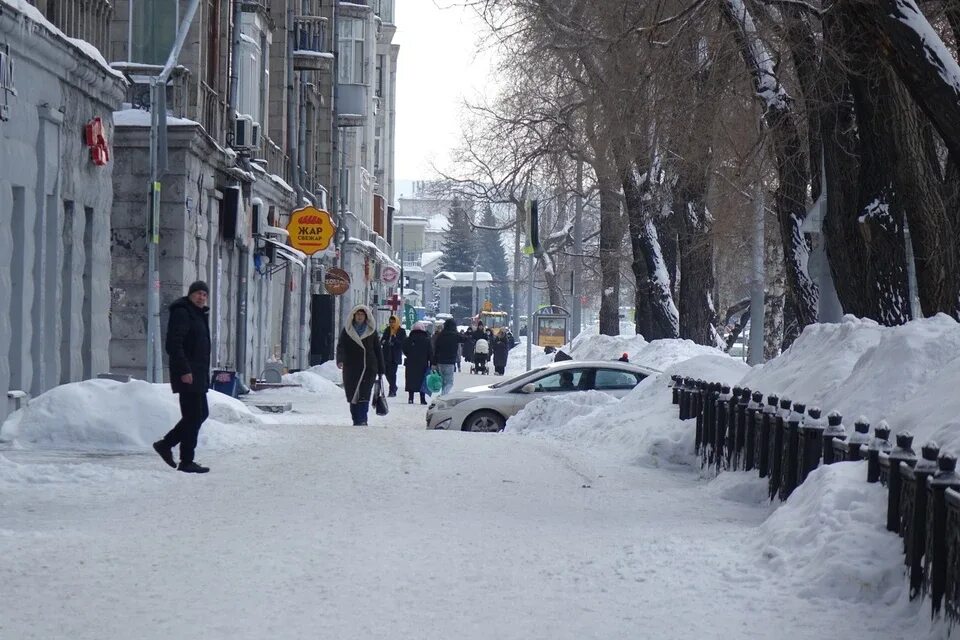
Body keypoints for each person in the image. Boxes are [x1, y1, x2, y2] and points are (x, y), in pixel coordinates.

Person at [153, 281, 212, 474]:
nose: (201, 297)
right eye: (198, 294)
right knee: (193, 416)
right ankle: (186, 460)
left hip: (198, 374)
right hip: (187, 374)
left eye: (204, 294)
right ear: (190, 294)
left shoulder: (198, 314)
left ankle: (166, 444)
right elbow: (174, 344)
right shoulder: (182, 312)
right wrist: (185, 370)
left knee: (200, 414)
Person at [336, 305, 385, 426]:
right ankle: (356, 418)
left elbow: (377, 349)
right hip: (351, 367)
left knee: (364, 394)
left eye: (362, 315)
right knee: (353, 395)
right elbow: (341, 346)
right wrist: (340, 359)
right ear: (353, 316)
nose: (359, 317)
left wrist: (381, 368)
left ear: (366, 316)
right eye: (357, 314)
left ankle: (362, 419)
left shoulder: (371, 331)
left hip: (368, 367)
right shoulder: (347, 330)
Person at [402, 321, 433, 405]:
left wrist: (410, 354)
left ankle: (410, 398)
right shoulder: (427, 340)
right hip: (423, 363)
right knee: (422, 380)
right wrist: (431, 362)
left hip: (411, 362)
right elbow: (430, 352)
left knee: (411, 379)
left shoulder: (409, 339)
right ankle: (422, 399)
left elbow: (405, 350)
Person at [433, 318, 462, 394]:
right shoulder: (455, 335)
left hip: (440, 362)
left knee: (442, 381)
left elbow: (436, 350)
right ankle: (443, 395)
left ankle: (443, 394)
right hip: (450, 362)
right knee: (449, 382)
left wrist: (434, 362)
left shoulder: (440, 336)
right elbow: (465, 339)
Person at [380, 315, 407, 397]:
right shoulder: (387, 330)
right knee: (386, 372)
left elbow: (402, 343)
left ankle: (392, 390)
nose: (392, 324)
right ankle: (394, 386)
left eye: (393, 322)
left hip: (394, 356)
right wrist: (384, 341)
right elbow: (382, 340)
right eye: (390, 322)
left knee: (392, 373)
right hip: (386, 354)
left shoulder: (401, 331)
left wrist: (395, 340)